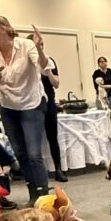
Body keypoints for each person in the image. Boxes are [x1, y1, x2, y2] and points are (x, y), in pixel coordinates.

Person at [0, 16, 50, 204]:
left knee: (34, 154)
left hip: (31, 104)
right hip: (8, 107)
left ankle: (44, 197)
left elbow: (43, 67)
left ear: (3, 28)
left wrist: (39, 48)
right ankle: (33, 195)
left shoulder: (25, 45)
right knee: (20, 154)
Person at [31, 39, 67, 182]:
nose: (40, 47)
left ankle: (58, 169)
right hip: (33, 104)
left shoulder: (49, 61)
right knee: (34, 140)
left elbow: (56, 84)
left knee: (53, 137)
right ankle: (38, 173)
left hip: (49, 102)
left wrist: (49, 72)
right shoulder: (27, 63)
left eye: (41, 45)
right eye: (36, 45)